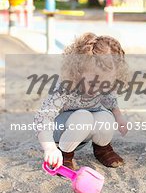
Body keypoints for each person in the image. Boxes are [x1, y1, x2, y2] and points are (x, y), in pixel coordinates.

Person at [34, 33, 128, 170]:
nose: (99, 89)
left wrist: (119, 117)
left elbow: (110, 100)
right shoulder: (65, 87)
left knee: (106, 118)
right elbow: (43, 118)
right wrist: (50, 148)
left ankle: (102, 149)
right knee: (83, 116)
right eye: (92, 83)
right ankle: (64, 154)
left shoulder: (104, 83)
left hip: (86, 130)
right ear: (78, 71)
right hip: (63, 132)